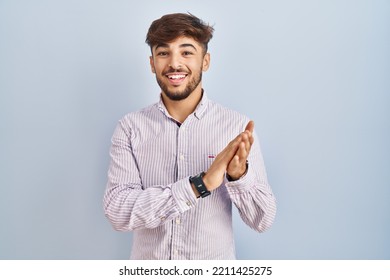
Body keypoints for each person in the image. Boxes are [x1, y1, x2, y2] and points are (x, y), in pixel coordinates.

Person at [103, 13, 276, 260]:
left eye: (186, 52)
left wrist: (239, 176)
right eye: (163, 53)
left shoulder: (236, 127)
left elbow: (263, 219)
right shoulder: (130, 128)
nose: (174, 64)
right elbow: (117, 211)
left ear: (205, 61)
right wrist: (199, 185)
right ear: (152, 63)